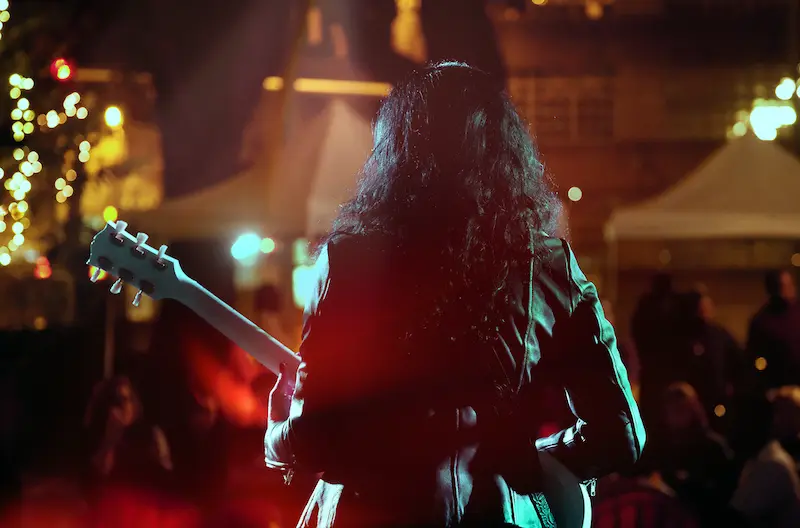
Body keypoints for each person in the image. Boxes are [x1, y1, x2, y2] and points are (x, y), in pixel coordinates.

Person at [264, 61, 645, 527]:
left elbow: (316, 437)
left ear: (394, 157)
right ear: (507, 159)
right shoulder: (548, 265)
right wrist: (527, 457)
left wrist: (275, 434)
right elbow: (621, 435)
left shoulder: (349, 260)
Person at [746, 270, 800, 390]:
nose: (790, 289)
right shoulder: (762, 322)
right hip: (780, 389)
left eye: (790, 285)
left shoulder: (797, 312)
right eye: (784, 286)